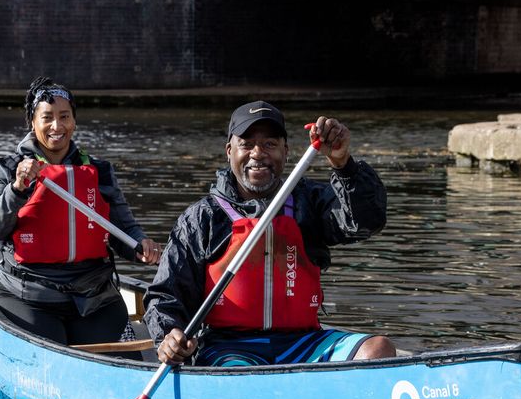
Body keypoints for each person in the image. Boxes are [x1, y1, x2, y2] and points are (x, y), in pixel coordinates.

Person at [143, 101, 396, 367]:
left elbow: (367, 222)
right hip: (228, 347)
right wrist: (168, 335)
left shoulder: (309, 201)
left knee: (378, 349)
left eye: (270, 145)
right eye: (247, 144)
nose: (258, 153)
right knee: (240, 375)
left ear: (286, 152)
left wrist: (344, 164)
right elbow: (166, 295)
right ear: (229, 152)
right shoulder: (201, 218)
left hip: (304, 343)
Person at [0, 76, 161, 347]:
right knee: (54, 343)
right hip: (28, 295)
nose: (57, 126)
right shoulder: (8, 167)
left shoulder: (99, 171)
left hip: (93, 295)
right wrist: (16, 189)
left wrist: (140, 246)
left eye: (64, 117)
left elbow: (123, 230)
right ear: (33, 122)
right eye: (47, 117)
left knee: (109, 348)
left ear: (74, 121)